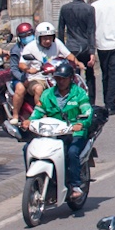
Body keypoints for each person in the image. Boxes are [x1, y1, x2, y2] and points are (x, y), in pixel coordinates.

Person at [32, 59, 96, 205]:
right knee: (27, 148)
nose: (60, 82)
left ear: (70, 79)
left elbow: (87, 112)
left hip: (75, 134)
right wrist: (30, 120)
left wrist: (81, 123)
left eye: (63, 79)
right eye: (58, 79)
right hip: (53, 134)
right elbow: (38, 111)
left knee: (72, 152)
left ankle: (75, 186)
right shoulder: (47, 94)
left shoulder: (79, 93)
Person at [20, 22, 74, 124]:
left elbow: (68, 55)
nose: (48, 41)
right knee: (39, 88)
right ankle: (42, 116)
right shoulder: (30, 47)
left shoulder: (57, 43)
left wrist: (77, 62)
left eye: (50, 38)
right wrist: (28, 70)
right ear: (38, 37)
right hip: (37, 78)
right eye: (45, 38)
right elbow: (22, 64)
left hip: (55, 76)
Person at [58, 0, 97, 94]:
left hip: (71, 47)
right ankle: (90, 101)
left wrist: (61, 50)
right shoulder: (89, 9)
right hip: (85, 47)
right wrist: (92, 52)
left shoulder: (65, 9)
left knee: (73, 76)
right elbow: (91, 31)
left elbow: (60, 30)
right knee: (89, 75)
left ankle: (74, 99)